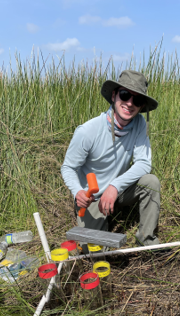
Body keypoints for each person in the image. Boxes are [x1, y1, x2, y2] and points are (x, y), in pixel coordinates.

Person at [61, 70, 160, 247]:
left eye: (137, 100)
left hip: (118, 192)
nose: (130, 103)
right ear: (114, 95)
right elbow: (68, 167)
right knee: (96, 251)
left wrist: (115, 186)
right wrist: (78, 192)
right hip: (93, 197)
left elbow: (144, 163)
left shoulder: (139, 124)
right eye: (125, 95)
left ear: (141, 106)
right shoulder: (87, 131)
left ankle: (147, 240)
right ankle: (99, 224)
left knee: (150, 182)